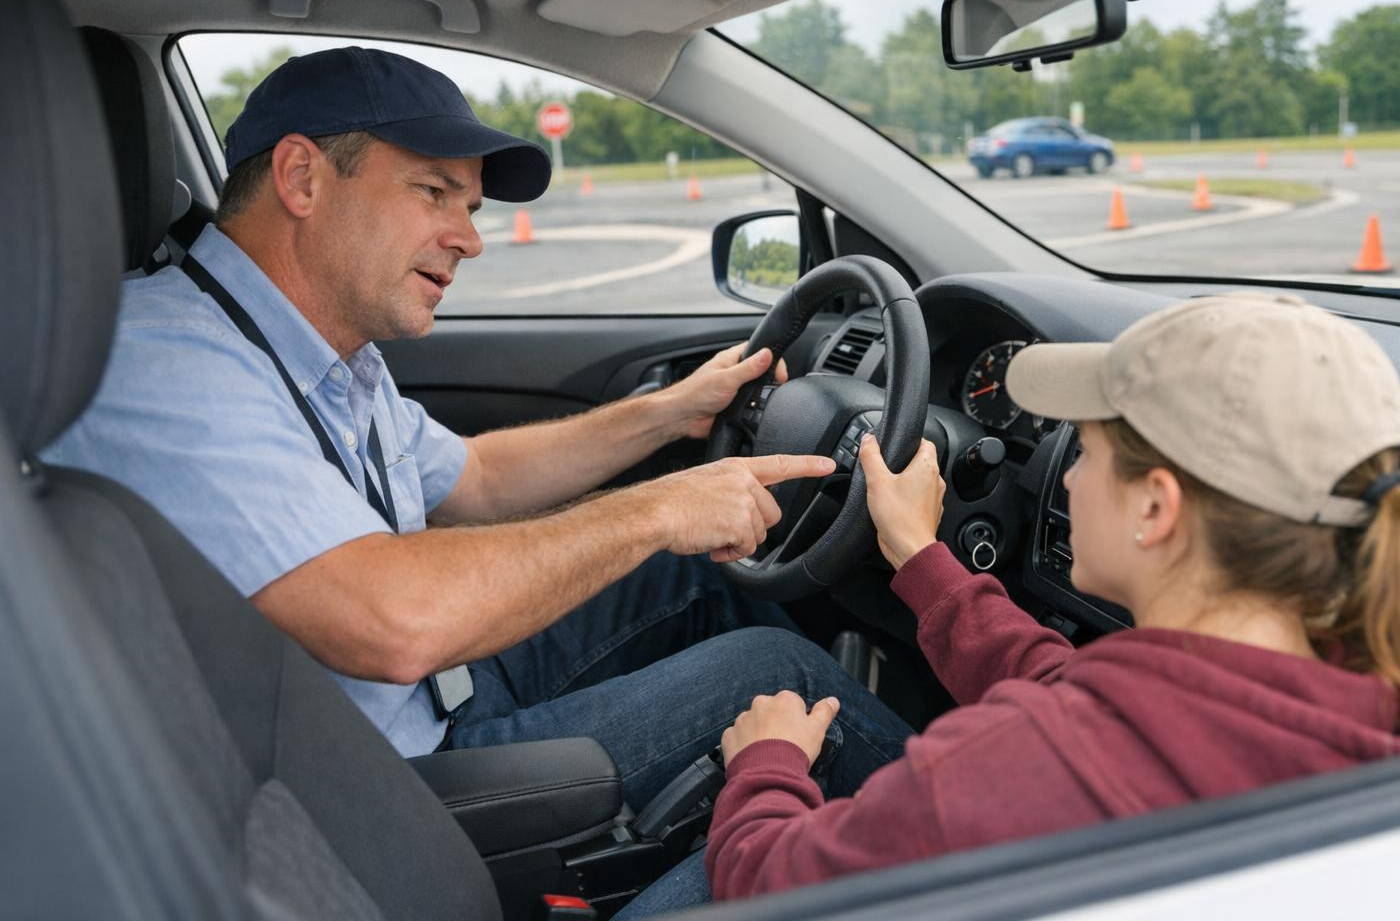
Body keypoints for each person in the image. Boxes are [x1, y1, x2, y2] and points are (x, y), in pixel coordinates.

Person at [43, 46, 912, 809]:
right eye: (435, 193)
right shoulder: (164, 364)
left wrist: (670, 412)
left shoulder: (315, 343)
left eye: (472, 209)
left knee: (693, 580)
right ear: (301, 178)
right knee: (781, 680)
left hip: (432, 696)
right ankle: (981, 852)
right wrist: (657, 511)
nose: (470, 239)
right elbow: (394, 621)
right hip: (385, 796)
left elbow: (479, 478)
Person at [618, 291, 1400, 915]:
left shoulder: (1007, 770)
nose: (1069, 478)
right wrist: (922, 557)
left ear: (1157, 508)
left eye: (1084, 453)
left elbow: (770, 881)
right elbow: (1090, 695)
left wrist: (767, 769)